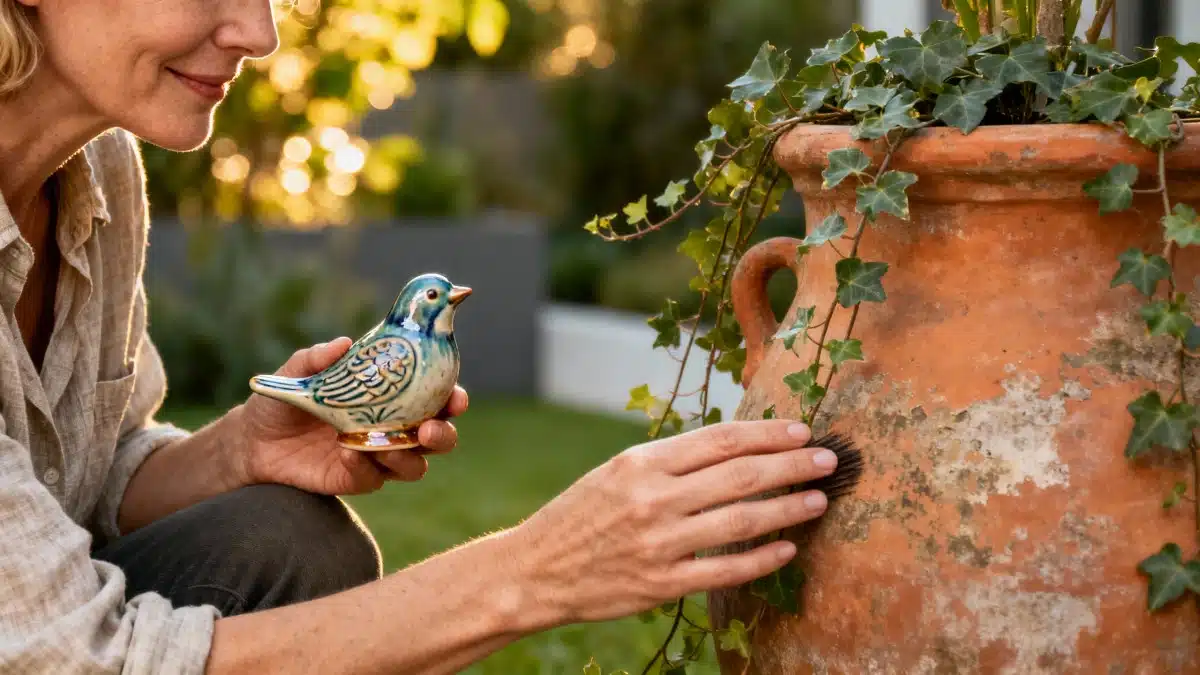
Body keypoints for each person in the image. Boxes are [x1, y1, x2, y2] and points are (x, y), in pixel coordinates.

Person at [0, 0, 839, 672]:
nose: (259, 32)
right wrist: (541, 570)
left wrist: (235, 452)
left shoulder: (98, 175)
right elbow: (72, 657)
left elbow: (85, 471)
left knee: (291, 538)